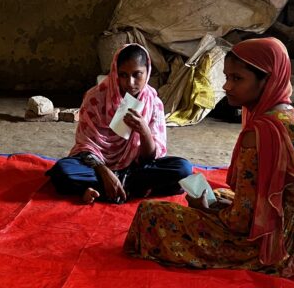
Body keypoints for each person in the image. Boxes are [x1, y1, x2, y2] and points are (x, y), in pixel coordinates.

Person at [124, 38, 294, 277]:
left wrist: (211, 210)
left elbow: (241, 223)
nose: (226, 87)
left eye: (237, 79)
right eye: (227, 77)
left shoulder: (262, 133)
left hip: (276, 249)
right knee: (221, 195)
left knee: (151, 214)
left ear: (267, 80)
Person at [46, 43, 193, 204]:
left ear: (147, 72)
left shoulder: (153, 103)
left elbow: (149, 158)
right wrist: (104, 172)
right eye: (123, 75)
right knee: (62, 170)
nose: (130, 83)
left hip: (136, 168)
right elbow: (85, 147)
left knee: (183, 168)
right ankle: (133, 189)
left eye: (137, 74)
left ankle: (98, 190)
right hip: (97, 166)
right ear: (115, 72)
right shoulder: (95, 98)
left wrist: (144, 131)